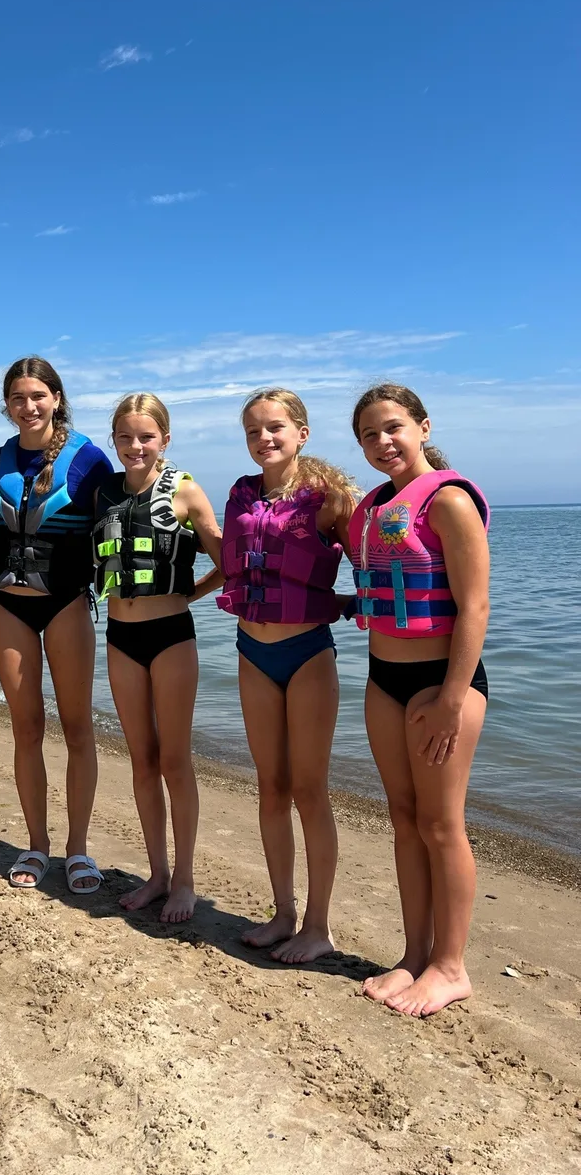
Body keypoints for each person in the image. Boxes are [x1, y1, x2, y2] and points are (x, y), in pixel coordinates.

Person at [350, 383, 490, 1017]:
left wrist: (453, 699)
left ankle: (451, 967)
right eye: (369, 435)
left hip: (443, 683)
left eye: (394, 427)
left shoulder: (450, 501)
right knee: (404, 818)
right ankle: (414, 955)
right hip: (383, 678)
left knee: (440, 824)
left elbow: (475, 607)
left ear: (424, 427)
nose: (383, 442)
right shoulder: (375, 507)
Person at [217, 389, 356, 962]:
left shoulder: (329, 498)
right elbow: (231, 562)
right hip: (252, 651)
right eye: (253, 431)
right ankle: (283, 913)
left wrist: (363, 607)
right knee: (270, 787)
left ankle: (319, 926)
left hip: (307, 654)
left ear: (302, 432)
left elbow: (376, 562)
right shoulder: (240, 494)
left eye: (275, 427)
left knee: (309, 790)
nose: (264, 439)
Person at [0, 356, 112, 892]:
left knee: (78, 728)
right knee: (26, 727)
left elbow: (121, 524)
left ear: (56, 398)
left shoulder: (90, 460)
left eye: (38, 395)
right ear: (7, 405)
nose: (28, 406)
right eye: (18, 397)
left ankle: (78, 849)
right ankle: (37, 844)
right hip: (7, 605)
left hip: (65, 603)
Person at [94, 393, 221, 922]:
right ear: (114, 441)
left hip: (171, 635)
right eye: (125, 437)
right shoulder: (104, 492)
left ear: (164, 440)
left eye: (146, 437)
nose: (136, 446)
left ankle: (185, 880)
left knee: (174, 760)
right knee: (141, 759)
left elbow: (229, 561)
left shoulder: (184, 489)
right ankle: (158, 874)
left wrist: (192, 594)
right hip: (120, 637)